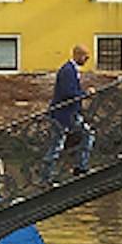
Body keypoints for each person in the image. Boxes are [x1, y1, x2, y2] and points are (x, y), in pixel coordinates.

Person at [48, 45, 92, 177]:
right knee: (56, 145)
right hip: (63, 115)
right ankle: (46, 176)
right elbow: (68, 93)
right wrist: (85, 93)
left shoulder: (71, 69)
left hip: (71, 114)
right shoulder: (67, 70)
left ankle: (80, 166)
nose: (87, 59)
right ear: (77, 55)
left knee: (88, 134)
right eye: (85, 56)